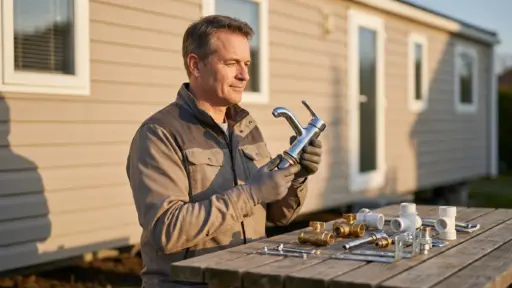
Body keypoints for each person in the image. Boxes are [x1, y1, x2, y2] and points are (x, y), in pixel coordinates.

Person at [126, 14, 323, 288]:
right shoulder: (160, 133)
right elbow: (166, 231)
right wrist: (251, 192)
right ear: (196, 65)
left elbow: (279, 216)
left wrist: (298, 177)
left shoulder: (246, 128)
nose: (244, 75)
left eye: (246, 64)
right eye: (231, 63)